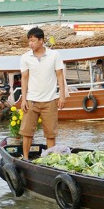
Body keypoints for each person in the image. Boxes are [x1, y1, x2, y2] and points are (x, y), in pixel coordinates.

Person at [19, 27, 67, 160]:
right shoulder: (25, 57)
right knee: (27, 132)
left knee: (50, 133)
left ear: (41, 40)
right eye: (29, 41)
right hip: (31, 100)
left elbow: (60, 76)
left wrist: (61, 96)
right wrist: (23, 99)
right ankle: (26, 158)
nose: (31, 44)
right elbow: (24, 78)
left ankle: (49, 159)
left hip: (50, 100)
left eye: (33, 41)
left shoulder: (54, 55)